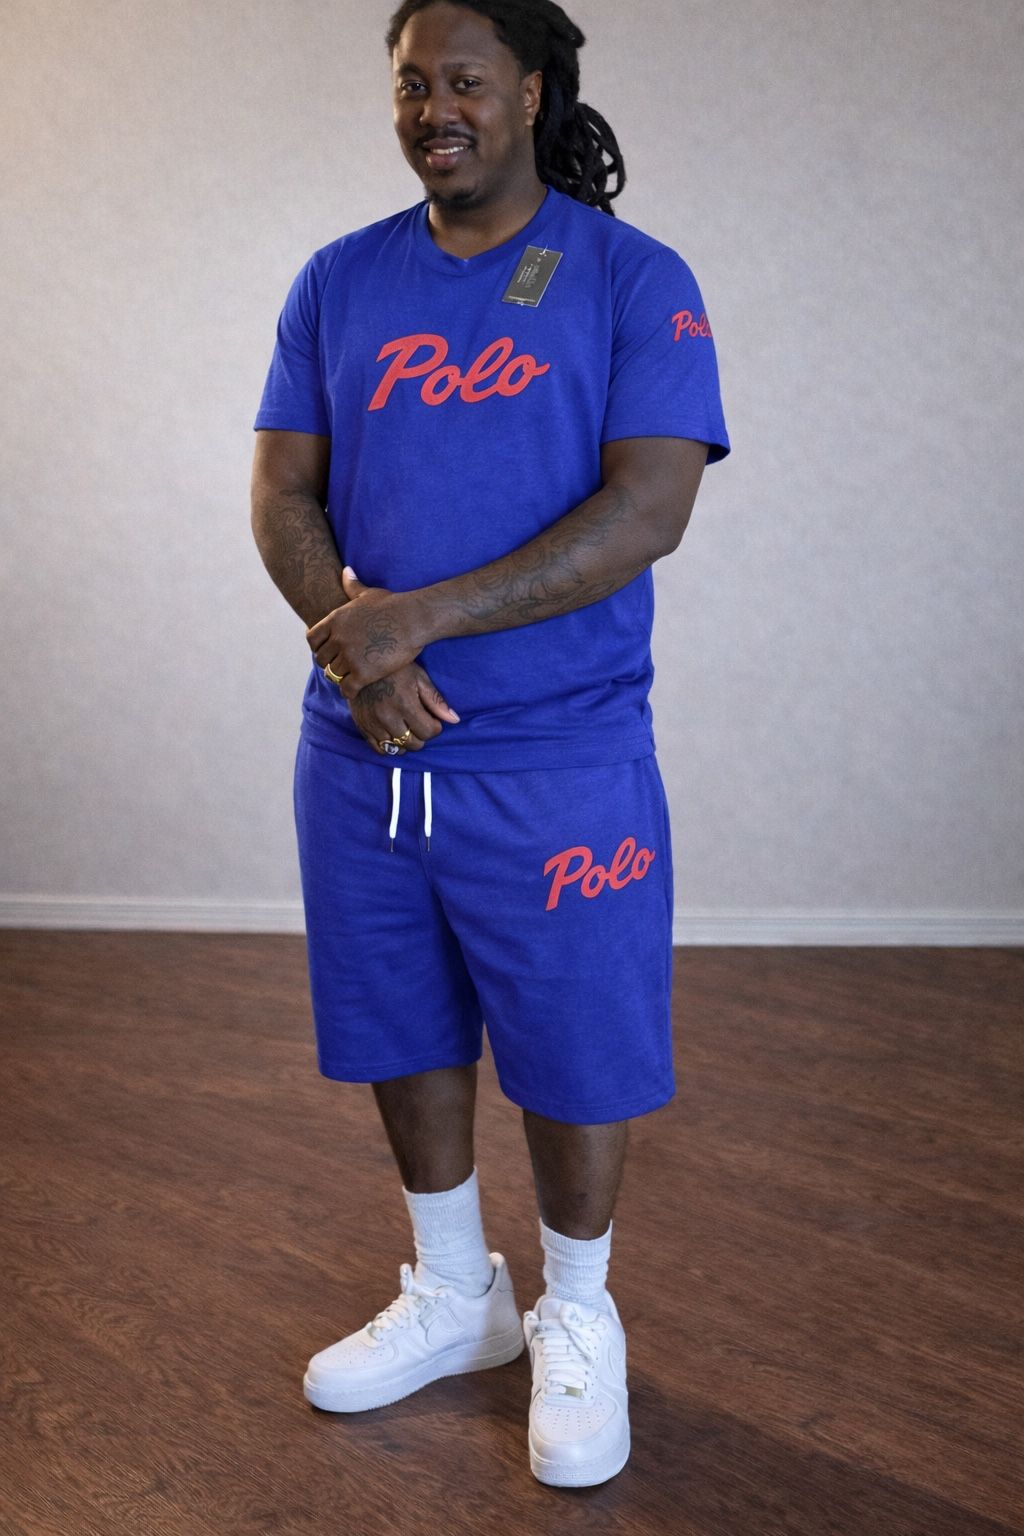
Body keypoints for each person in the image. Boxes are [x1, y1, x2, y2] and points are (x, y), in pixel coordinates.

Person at [250, 0, 730, 1489]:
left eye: (463, 80)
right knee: (399, 1019)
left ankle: (578, 1310)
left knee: (577, 1038)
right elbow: (282, 490)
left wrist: (419, 622)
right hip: (367, 748)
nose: (433, 109)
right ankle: (457, 1291)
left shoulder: (633, 279)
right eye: (411, 84)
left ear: (531, 90)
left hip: (559, 752)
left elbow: (649, 509)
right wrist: (354, 644)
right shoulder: (340, 280)